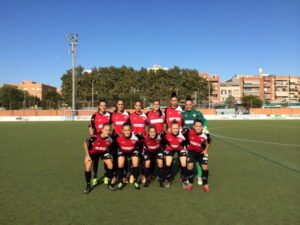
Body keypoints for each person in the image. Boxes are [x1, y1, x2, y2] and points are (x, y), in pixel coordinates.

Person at [182, 96, 209, 185]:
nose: (188, 106)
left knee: (198, 160)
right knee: (187, 160)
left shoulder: (197, 113)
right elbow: (181, 124)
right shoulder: (183, 114)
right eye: (187, 105)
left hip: (197, 139)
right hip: (187, 140)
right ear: (185, 105)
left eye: (190, 104)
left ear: (192, 105)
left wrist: (205, 128)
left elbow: (204, 121)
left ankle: (200, 176)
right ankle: (187, 176)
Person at [83, 124, 116, 194]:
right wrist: (87, 155)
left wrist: (109, 154)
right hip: (92, 153)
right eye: (105, 130)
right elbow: (85, 143)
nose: (107, 132)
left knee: (110, 164)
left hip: (102, 152)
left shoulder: (110, 140)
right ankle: (88, 185)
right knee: (88, 165)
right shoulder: (94, 137)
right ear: (102, 130)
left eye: (109, 130)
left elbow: (111, 148)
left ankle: (110, 183)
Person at [162, 122, 192, 190]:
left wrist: (185, 149)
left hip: (180, 148)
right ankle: (168, 179)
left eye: (177, 128)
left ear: (179, 128)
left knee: (184, 163)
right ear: (170, 129)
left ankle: (183, 179)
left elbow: (187, 142)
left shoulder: (183, 134)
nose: (175, 130)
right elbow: (163, 143)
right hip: (170, 148)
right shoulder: (166, 135)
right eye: (173, 128)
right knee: (168, 163)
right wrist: (165, 149)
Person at [88, 100, 112, 186]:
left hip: (106, 140)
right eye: (101, 105)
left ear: (106, 106)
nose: (103, 107)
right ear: (99, 106)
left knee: (106, 159)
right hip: (97, 141)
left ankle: (106, 176)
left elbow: (114, 124)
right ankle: (95, 177)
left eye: (104, 105)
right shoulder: (94, 115)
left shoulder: (109, 114)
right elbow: (90, 126)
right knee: (96, 160)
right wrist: (92, 136)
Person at [185, 120, 211, 192]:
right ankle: (190, 183)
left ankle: (205, 184)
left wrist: (206, 150)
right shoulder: (189, 131)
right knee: (190, 166)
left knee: (205, 167)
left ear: (202, 127)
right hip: (191, 151)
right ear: (193, 126)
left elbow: (209, 141)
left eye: (200, 126)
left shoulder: (205, 134)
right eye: (196, 126)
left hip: (201, 152)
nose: (198, 128)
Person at [116, 123, 143, 190]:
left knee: (135, 163)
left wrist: (140, 152)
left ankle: (135, 180)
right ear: (122, 130)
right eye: (125, 130)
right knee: (120, 163)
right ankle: (122, 180)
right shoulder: (118, 137)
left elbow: (142, 142)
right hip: (123, 150)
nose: (127, 132)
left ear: (131, 130)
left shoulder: (136, 136)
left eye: (128, 130)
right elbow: (115, 145)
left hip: (133, 150)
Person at [111, 99, 130, 184]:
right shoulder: (113, 114)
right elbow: (108, 125)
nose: (121, 105)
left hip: (125, 139)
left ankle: (124, 176)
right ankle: (115, 176)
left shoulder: (127, 114)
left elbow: (130, 126)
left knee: (124, 157)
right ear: (116, 105)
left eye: (122, 104)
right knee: (115, 157)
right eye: (119, 104)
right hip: (115, 139)